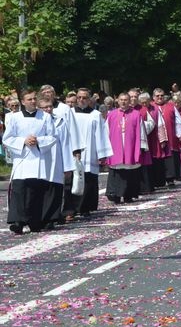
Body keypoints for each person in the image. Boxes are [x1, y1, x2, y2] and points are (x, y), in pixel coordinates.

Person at [3, 90, 57, 234]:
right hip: (21, 159)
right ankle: (18, 222)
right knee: (19, 191)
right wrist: (23, 141)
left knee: (35, 191)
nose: (33, 101)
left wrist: (38, 141)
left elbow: (52, 136)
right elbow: (7, 138)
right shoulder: (15, 118)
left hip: (38, 159)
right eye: (29, 99)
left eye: (34, 99)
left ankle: (34, 221)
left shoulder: (45, 116)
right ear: (22, 102)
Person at [65, 88, 112, 219]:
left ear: (90, 99)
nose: (81, 100)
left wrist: (102, 154)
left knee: (88, 181)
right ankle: (72, 209)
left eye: (84, 97)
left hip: (90, 152)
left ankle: (85, 207)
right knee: (72, 181)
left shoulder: (95, 115)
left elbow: (101, 135)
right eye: (79, 97)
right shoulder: (70, 113)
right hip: (72, 152)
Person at [38, 95, 75, 229]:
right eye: (44, 107)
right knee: (41, 190)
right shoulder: (36, 121)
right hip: (40, 160)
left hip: (56, 159)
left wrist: (68, 164)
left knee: (55, 189)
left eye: (50, 106)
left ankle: (53, 217)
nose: (48, 109)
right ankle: (40, 217)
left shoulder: (59, 121)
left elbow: (65, 143)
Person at [105, 93, 147, 204]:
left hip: (131, 147)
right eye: (121, 100)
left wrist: (142, 147)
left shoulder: (136, 114)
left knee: (130, 171)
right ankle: (116, 195)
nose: (123, 102)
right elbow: (106, 132)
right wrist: (105, 148)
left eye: (126, 100)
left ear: (129, 101)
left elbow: (141, 131)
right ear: (117, 101)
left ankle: (129, 195)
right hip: (115, 147)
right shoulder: (111, 115)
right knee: (116, 171)